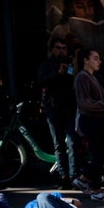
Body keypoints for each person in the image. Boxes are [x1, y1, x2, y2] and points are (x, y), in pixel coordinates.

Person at [71, 48, 104, 202]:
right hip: (89, 120)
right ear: (86, 60)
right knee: (99, 154)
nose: (99, 61)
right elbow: (84, 102)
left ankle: (85, 179)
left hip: (95, 120)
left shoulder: (91, 77)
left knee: (103, 154)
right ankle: (95, 189)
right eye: (96, 58)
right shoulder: (82, 77)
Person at [37, 36, 77, 189]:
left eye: (63, 48)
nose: (61, 50)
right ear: (52, 49)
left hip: (69, 108)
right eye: (58, 47)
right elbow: (41, 82)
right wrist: (58, 73)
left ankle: (74, 176)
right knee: (59, 144)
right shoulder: (47, 64)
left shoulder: (70, 63)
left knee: (73, 142)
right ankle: (63, 176)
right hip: (53, 108)